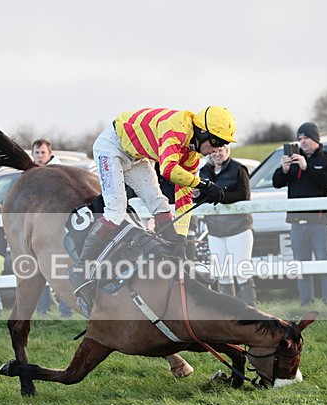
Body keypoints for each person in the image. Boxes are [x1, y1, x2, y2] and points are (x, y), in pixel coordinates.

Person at [71, 106, 234, 305]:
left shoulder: (191, 155)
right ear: (201, 131)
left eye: (223, 144)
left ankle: (176, 260)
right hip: (111, 147)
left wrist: (181, 239)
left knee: (159, 203)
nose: (217, 149)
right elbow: (168, 170)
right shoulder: (176, 127)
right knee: (116, 210)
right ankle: (80, 270)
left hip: (137, 156)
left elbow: (184, 196)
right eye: (216, 142)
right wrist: (204, 185)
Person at [272, 122, 327, 307]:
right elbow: (277, 183)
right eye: (300, 138)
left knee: (324, 262)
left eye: (306, 138)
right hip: (297, 222)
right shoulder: (293, 158)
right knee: (300, 265)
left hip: (319, 221)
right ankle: (306, 303)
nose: (303, 142)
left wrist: (306, 167)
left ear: (316, 139)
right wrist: (284, 169)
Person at [199, 144, 256, 305]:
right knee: (222, 274)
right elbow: (203, 197)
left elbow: (244, 195)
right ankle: (228, 311)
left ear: (227, 150)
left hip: (238, 228)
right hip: (214, 230)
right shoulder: (204, 171)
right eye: (215, 150)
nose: (218, 153)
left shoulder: (239, 169)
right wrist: (196, 195)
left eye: (221, 149)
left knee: (242, 271)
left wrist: (221, 196)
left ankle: (250, 310)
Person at [31, 138, 72, 318]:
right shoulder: (31, 173)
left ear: (50, 154)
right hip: (39, 228)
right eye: (37, 153)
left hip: (58, 228)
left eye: (43, 153)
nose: (40, 156)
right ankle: (43, 310)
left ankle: (66, 310)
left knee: (61, 269)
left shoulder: (58, 173)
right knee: (39, 269)